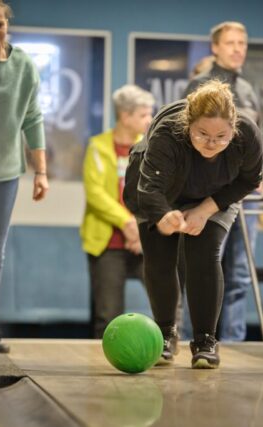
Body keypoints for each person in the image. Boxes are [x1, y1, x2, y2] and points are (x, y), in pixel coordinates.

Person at [124, 80, 263, 368]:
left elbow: (250, 180)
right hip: (160, 191)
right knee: (160, 257)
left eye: (221, 136)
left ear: (234, 127)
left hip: (216, 193)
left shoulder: (247, 135)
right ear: (188, 125)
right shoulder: (167, 134)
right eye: (202, 134)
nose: (211, 144)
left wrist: (205, 209)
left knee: (204, 254)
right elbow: (150, 190)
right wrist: (164, 216)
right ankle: (165, 335)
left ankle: (205, 341)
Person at [183, 21, 261, 342]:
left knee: (240, 274)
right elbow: (187, 140)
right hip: (208, 195)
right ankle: (192, 338)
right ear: (215, 47)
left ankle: (233, 342)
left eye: (242, 43)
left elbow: (256, 141)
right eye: (230, 42)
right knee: (202, 269)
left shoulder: (249, 90)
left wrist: (257, 178)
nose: (237, 48)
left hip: (244, 192)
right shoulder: (199, 86)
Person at [0, 0, 49, 353]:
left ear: (7, 24)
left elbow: (33, 119)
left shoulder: (23, 66)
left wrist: (41, 171)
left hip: (6, 172)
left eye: (0, 24)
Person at [80, 84, 154, 338]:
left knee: (168, 305)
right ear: (125, 116)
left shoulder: (151, 147)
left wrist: (139, 228)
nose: (150, 119)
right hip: (107, 243)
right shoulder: (98, 146)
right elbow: (95, 193)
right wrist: (126, 223)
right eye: (144, 114)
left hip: (145, 241)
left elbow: (156, 191)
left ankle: (167, 348)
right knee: (108, 315)